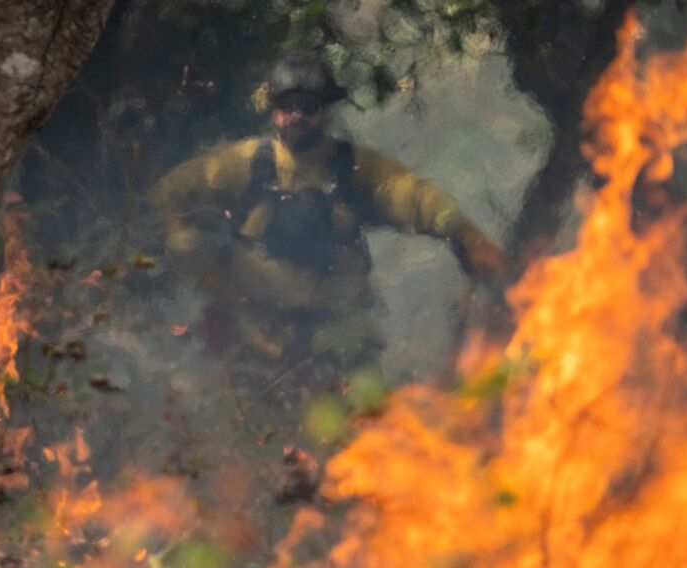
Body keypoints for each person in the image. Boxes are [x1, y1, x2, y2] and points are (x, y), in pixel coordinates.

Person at [149, 51, 505, 456]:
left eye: (308, 107)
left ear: (325, 111)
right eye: (286, 107)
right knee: (243, 448)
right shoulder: (244, 164)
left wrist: (462, 231)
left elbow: (412, 196)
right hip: (256, 330)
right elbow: (168, 194)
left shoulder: (353, 166)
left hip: (341, 330)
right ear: (273, 112)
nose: (296, 117)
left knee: (369, 439)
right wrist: (197, 260)